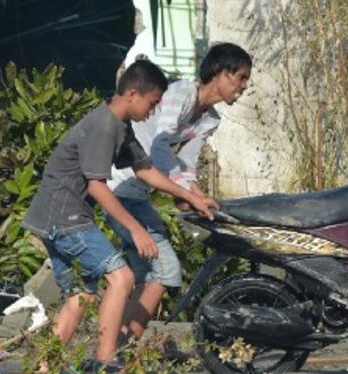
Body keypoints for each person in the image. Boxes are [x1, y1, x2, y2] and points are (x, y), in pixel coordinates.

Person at [21, 60, 218, 372]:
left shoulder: (119, 126)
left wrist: (191, 196)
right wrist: (136, 229)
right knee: (122, 276)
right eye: (152, 103)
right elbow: (97, 187)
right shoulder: (103, 127)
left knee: (81, 295)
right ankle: (108, 362)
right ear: (131, 94)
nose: (153, 112)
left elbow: (145, 169)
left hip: (53, 217)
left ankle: (41, 373)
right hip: (65, 218)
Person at [104, 43, 253, 341]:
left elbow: (187, 163)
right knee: (165, 269)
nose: (244, 87)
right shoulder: (181, 94)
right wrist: (187, 195)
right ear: (221, 73)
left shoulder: (211, 119)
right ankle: (120, 344)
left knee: (146, 274)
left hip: (138, 193)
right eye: (241, 77)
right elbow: (159, 147)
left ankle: (117, 345)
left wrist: (194, 193)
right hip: (121, 185)